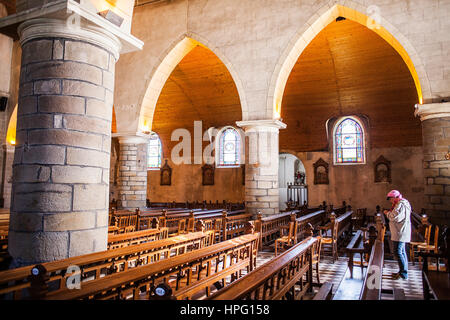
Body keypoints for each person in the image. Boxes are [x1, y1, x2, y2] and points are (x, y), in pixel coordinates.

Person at [383, 190, 411, 280]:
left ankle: (403, 273)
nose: (390, 201)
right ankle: (402, 271)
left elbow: (394, 217)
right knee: (401, 252)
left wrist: (387, 213)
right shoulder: (402, 203)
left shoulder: (400, 204)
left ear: (395, 197)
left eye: (390, 199)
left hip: (400, 232)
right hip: (400, 231)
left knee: (398, 252)